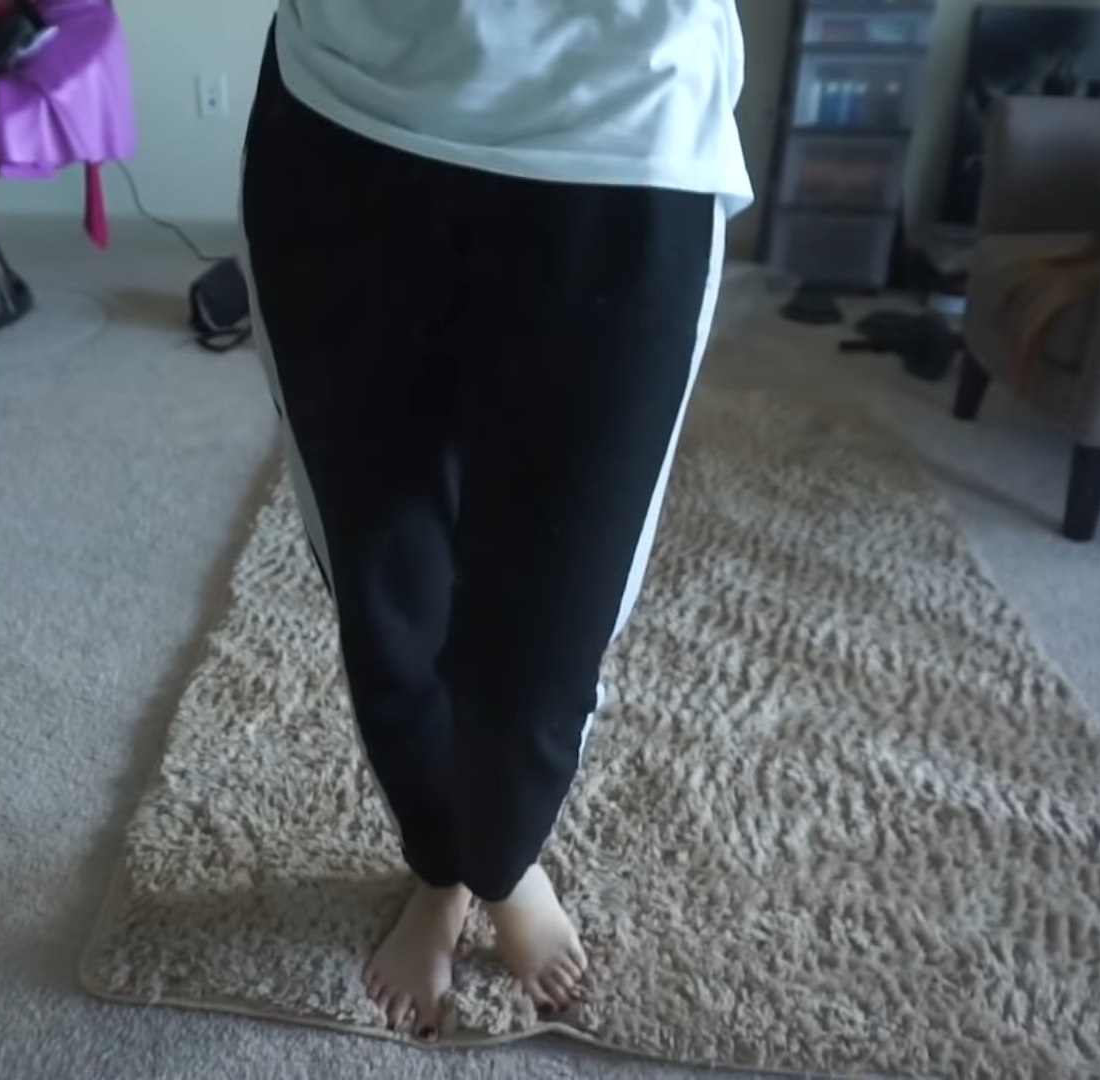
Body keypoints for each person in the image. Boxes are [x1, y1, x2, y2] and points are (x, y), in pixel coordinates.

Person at [239, 0, 752, 1039]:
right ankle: (440, 865)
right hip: (348, 112)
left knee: (548, 631)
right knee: (387, 592)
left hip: (624, 128)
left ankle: (506, 862)